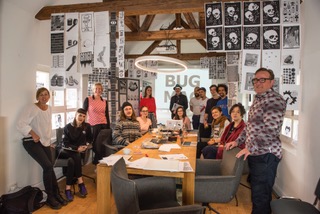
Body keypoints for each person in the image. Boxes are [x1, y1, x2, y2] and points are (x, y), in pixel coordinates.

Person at [225, 68, 286, 214]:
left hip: (266, 154)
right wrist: (237, 141)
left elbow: (270, 130)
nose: (258, 83)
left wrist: (251, 148)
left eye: (262, 79)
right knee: (257, 194)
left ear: (272, 82)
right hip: (256, 153)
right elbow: (249, 127)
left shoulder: (274, 100)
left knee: (261, 196)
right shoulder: (259, 99)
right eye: (256, 80)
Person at [16, 87, 67, 210]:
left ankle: (56, 194)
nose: (44, 97)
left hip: (44, 142)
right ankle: (50, 197)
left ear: (49, 96)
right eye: (41, 95)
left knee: (50, 167)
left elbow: (46, 127)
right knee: (48, 166)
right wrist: (32, 134)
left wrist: (48, 142)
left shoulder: (49, 108)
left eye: (46, 94)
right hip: (30, 142)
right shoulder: (32, 108)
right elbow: (20, 123)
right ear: (37, 97)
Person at [57, 108, 93, 202]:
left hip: (78, 152)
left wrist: (86, 145)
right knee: (76, 155)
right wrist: (77, 149)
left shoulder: (87, 126)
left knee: (72, 162)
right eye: (80, 115)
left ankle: (67, 188)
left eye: (84, 116)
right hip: (66, 151)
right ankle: (81, 183)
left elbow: (90, 139)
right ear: (75, 115)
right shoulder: (67, 127)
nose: (82, 118)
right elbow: (65, 144)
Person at [82, 82, 111, 165]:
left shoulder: (104, 101)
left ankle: (98, 162)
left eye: (99, 89)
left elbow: (106, 115)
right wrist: (83, 125)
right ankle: (98, 162)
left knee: (103, 145)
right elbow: (84, 113)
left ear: (102, 90)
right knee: (96, 145)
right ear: (93, 90)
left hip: (104, 125)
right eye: (96, 88)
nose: (98, 90)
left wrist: (108, 127)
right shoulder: (88, 99)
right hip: (93, 126)